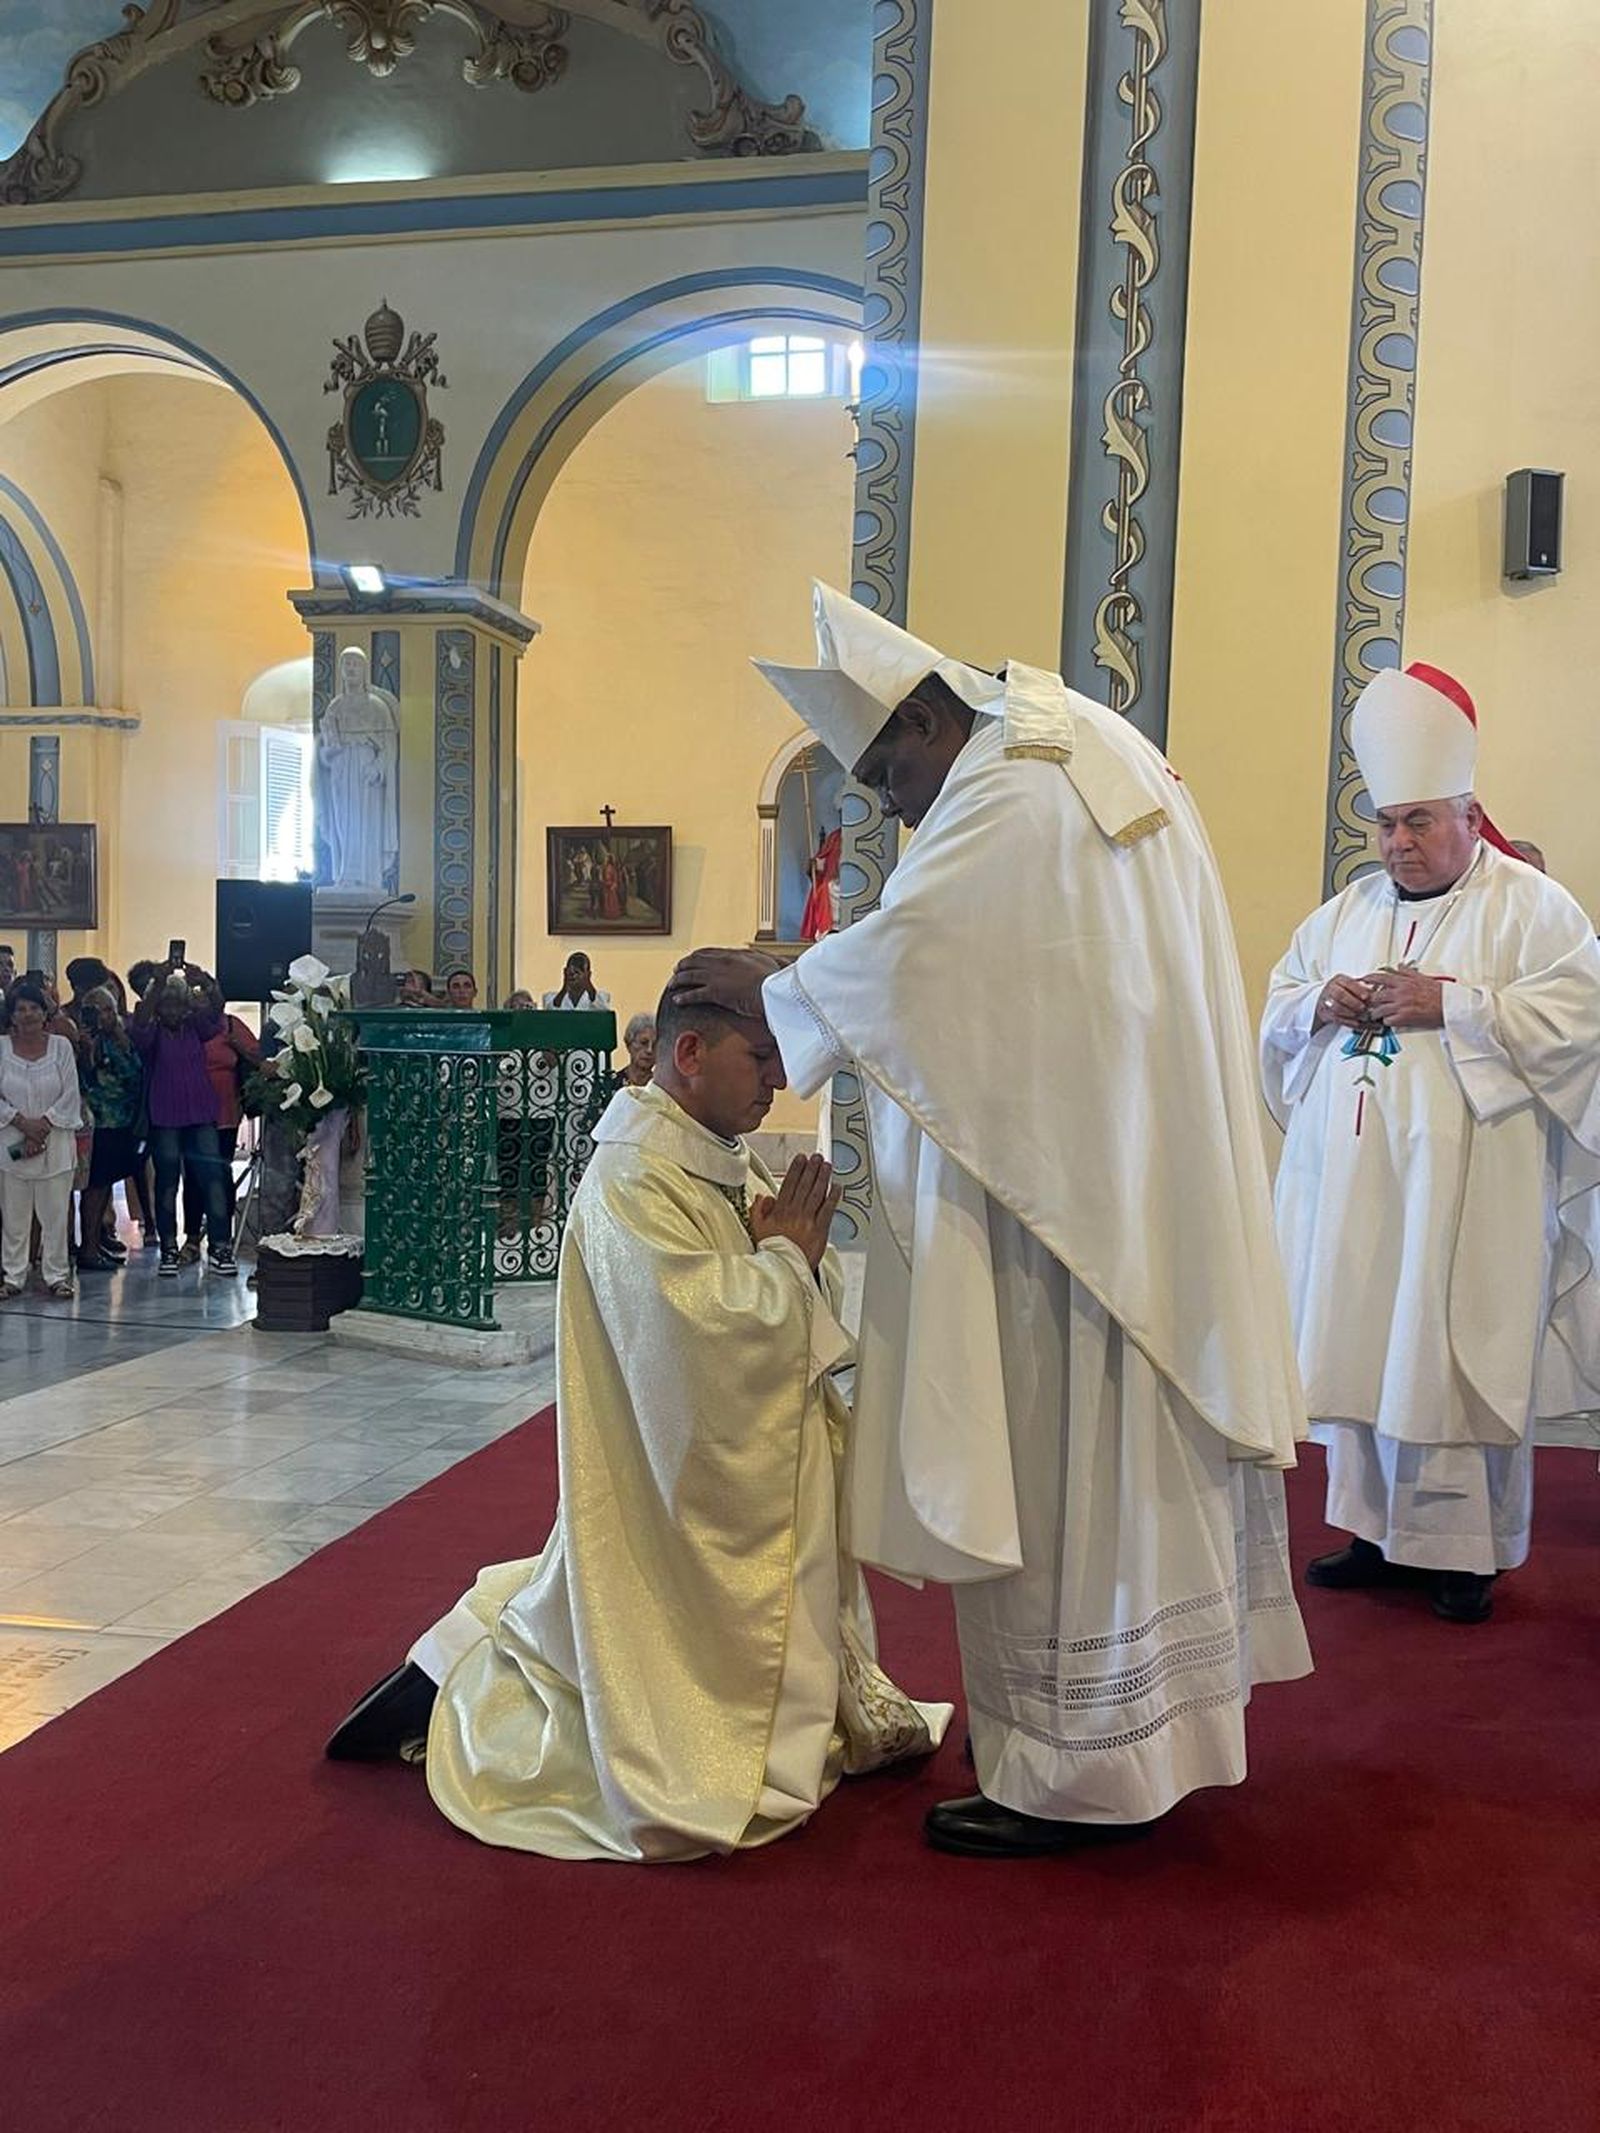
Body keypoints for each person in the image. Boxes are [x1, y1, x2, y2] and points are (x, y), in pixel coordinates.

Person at [671, 581, 1311, 1860]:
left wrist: (775, 996)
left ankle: (1071, 1767)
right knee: (1115, 1457)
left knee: (1064, 1447)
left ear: (920, 718)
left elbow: (920, 960)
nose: (887, 807)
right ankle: (1130, 1734)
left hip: (1062, 1221)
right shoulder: (1070, 737)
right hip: (1114, 1175)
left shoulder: (1010, 783)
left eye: (883, 776)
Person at [327, 984, 948, 1860]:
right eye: (759, 1059)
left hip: (710, 1455)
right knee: (625, 1602)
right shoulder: (634, 1176)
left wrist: (789, 1259)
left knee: (610, 1583)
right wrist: (783, 1261)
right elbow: (697, 1334)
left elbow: (780, 1283)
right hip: (672, 1457)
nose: (777, 1081)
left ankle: (468, 1648)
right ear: (689, 1055)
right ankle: (461, 1665)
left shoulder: (717, 1153)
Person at [1261, 662, 1600, 1624]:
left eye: (1417, 820)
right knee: (1366, 1337)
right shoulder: (1346, 913)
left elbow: (1582, 1016)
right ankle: (1372, 1531)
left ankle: (1467, 1551)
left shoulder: (1533, 908)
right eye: (1385, 822)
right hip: (1360, 1184)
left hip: (1471, 1189)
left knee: (1446, 1349)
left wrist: (1452, 1005)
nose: (1397, 842)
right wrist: (1316, 1004)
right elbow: (1280, 1002)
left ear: (1468, 812)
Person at [130, 967, 236, 1277]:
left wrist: (204, 982)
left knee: (213, 1178)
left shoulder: (196, 1027)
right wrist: (159, 982)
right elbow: (141, 1023)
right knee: (167, 1184)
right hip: (165, 1117)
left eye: (178, 1004)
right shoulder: (150, 1032)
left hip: (201, 1115)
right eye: (167, 1005)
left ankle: (219, 1247)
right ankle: (168, 1249)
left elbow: (217, 1008)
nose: (173, 1011)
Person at [0, 981, 82, 1299]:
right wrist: (22, 1124)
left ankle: (57, 1275)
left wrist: (42, 1128)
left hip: (55, 1142)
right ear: (12, 1015)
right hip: (11, 1142)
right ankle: (13, 1276)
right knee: (14, 1216)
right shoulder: (2, 1048)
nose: (28, 1014)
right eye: (21, 1009)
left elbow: (70, 1094)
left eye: (34, 1008)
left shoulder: (61, 1046)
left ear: (44, 1011)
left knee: (55, 1214)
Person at [180, 983, 260, 1262]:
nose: (202, 1004)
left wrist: (236, 1045)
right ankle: (191, 1239)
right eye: (196, 1000)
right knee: (191, 1177)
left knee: (219, 1175)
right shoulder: (185, 1027)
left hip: (225, 1112)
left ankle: (220, 1239)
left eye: (206, 999)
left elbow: (259, 1057)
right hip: (190, 1113)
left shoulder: (230, 1024)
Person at [75, 986, 145, 1273]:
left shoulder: (121, 1037)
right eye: (94, 1009)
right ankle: (88, 1249)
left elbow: (134, 1072)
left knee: (105, 1187)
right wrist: (87, 1050)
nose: (101, 1016)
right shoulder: (84, 1040)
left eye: (106, 1009)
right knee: (94, 1187)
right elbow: (85, 1077)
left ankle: (97, 1241)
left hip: (122, 1122)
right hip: (97, 1123)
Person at [801, 823, 843, 942]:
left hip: (854, 880)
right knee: (827, 889)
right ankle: (828, 928)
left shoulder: (859, 834)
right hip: (836, 880)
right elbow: (824, 859)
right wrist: (816, 864)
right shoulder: (835, 837)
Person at [542, 952, 611, 1010]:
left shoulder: (602, 996)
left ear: (588, 974)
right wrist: (564, 989)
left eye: (578, 972)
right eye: (571, 972)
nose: (574, 976)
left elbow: (603, 1009)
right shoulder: (550, 997)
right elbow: (550, 1011)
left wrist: (587, 983)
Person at [614, 1011, 656, 1090]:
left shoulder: (662, 1088)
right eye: (643, 1043)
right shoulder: (612, 1085)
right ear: (629, 1044)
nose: (649, 1050)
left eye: (655, 1045)